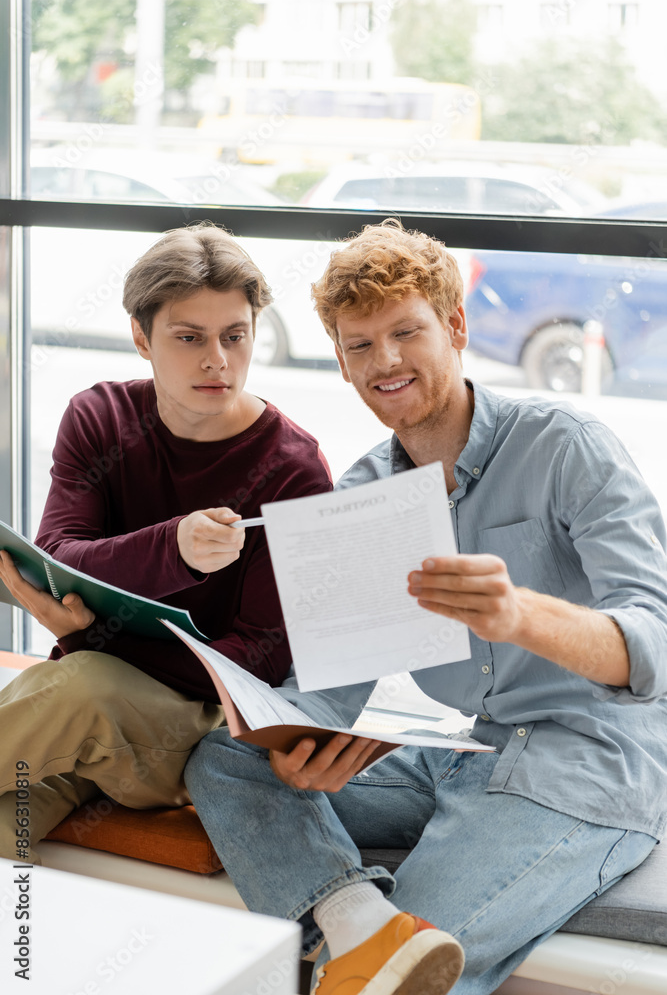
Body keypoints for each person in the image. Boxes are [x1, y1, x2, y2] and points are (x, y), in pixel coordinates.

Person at [184, 219, 667, 995]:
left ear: (456, 327)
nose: (386, 361)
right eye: (360, 345)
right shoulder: (363, 494)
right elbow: (335, 686)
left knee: (401, 983)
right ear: (340, 364)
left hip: (587, 766)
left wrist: (521, 618)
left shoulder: (565, 445)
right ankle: (357, 927)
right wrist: (298, 733)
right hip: (461, 754)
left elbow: (654, 645)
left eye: (405, 332)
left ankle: (371, 962)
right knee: (227, 761)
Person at [0, 223, 332, 864]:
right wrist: (173, 550)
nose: (218, 360)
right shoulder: (99, 417)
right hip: (88, 723)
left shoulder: (295, 470)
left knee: (85, 682)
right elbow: (58, 557)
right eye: (189, 338)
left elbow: (255, 662)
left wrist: (91, 635)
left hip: (197, 732)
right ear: (140, 337)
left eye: (234, 336)